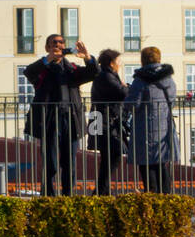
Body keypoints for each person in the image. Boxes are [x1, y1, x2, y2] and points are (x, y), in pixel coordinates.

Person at [24, 35, 98, 196]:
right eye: (53, 44)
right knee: (50, 163)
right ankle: (48, 196)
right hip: (49, 120)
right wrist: (48, 59)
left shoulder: (71, 68)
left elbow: (93, 73)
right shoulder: (42, 69)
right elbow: (28, 72)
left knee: (69, 162)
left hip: (70, 119)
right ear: (47, 48)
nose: (58, 46)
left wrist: (88, 58)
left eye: (61, 43)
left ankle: (68, 197)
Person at [123, 46, 178, 193]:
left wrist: (126, 95)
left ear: (143, 60)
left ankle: (152, 199)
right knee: (161, 164)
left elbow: (133, 104)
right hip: (164, 127)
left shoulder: (140, 81)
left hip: (144, 128)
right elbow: (172, 101)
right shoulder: (169, 80)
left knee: (146, 165)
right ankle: (167, 198)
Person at [89, 49, 128, 196]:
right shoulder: (107, 76)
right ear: (112, 63)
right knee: (112, 155)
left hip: (103, 119)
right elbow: (122, 93)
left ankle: (102, 190)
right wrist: (126, 87)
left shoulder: (107, 75)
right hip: (105, 121)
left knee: (110, 157)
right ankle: (101, 191)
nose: (120, 64)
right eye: (118, 61)